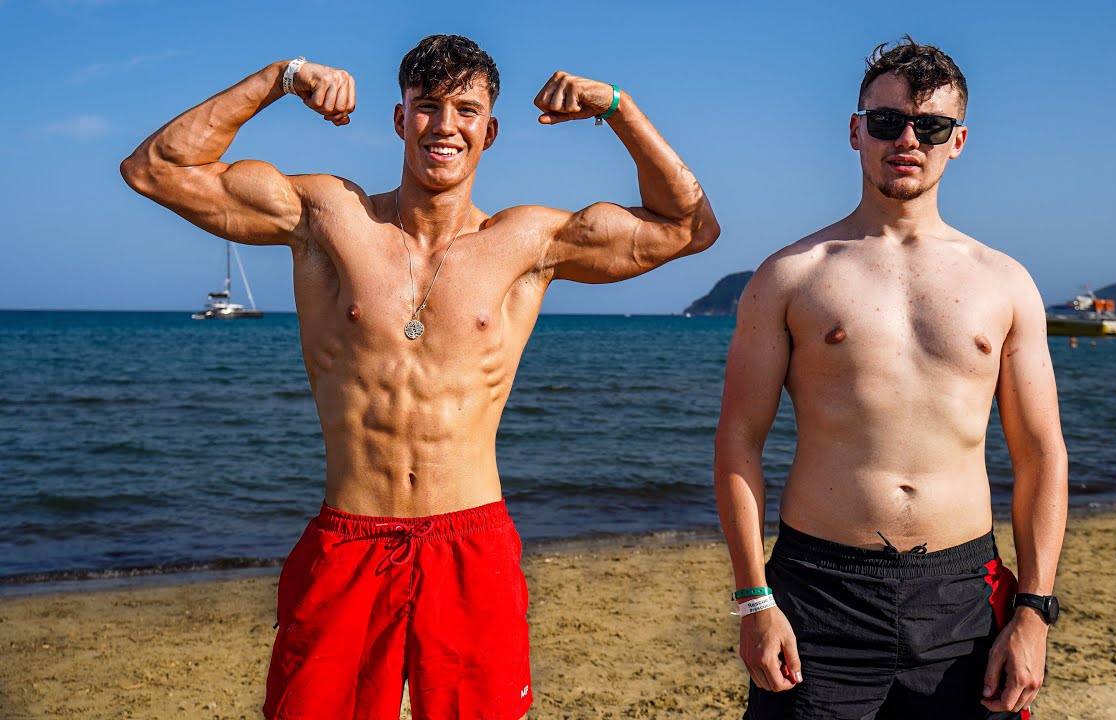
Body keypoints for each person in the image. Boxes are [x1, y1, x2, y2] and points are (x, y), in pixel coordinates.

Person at [121, 35, 718, 720]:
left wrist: (618, 107)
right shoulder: (329, 218)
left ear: (490, 130)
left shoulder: (527, 243)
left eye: (466, 110)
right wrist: (280, 76)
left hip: (471, 544)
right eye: (428, 105)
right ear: (401, 119)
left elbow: (690, 227)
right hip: (350, 539)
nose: (445, 125)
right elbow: (155, 169)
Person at [714, 36, 1066, 720]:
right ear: (855, 131)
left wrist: (1033, 611)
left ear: (958, 141)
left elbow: (1041, 452)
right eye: (886, 121)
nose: (907, 139)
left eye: (930, 126)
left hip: (963, 593)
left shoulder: (1005, 283)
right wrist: (754, 599)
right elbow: (738, 441)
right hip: (819, 591)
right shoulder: (790, 276)